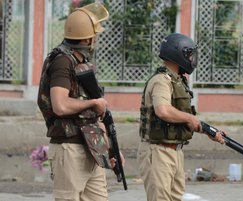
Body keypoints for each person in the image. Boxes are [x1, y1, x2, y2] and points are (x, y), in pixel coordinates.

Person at [37, 3, 124, 201]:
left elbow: (96, 117)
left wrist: (111, 149)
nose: (96, 38)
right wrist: (93, 103)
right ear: (86, 37)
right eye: (95, 34)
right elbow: (60, 105)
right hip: (70, 148)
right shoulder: (62, 62)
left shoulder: (81, 63)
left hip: (92, 148)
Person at [137, 33, 226, 201]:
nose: (192, 59)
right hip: (158, 151)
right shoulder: (161, 80)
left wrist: (208, 131)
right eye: (189, 55)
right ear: (178, 54)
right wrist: (190, 119)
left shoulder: (177, 81)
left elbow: (181, 117)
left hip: (174, 150)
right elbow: (162, 110)